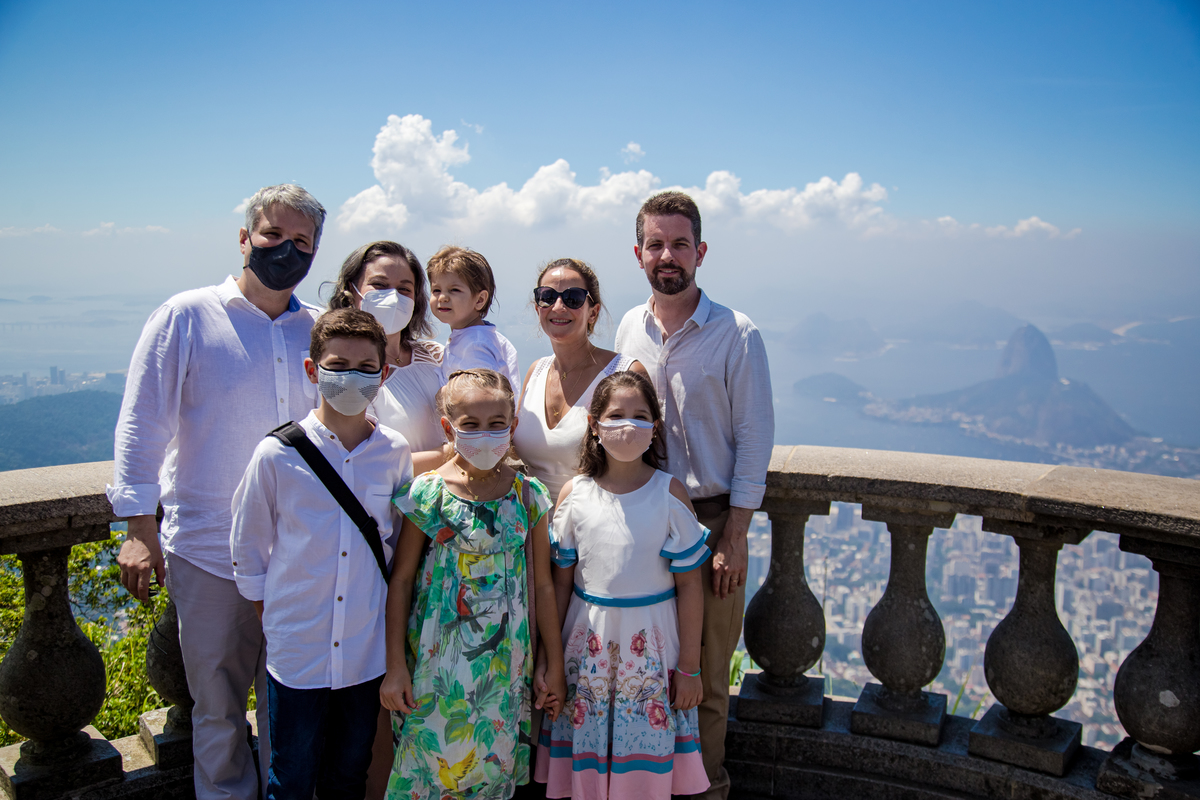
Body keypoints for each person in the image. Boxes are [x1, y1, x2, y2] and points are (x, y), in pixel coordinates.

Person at [108, 184, 327, 800]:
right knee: (218, 708)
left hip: (300, 554)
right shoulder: (188, 315)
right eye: (273, 236)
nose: (286, 251)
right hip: (209, 549)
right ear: (244, 238)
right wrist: (137, 530)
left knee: (294, 707)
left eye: (302, 243)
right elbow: (141, 422)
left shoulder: (317, 330)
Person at [614, 191, 774, 800]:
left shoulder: (737, 334)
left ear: (701, 252)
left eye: (680, 243)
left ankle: (707, 790)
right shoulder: (631, 325)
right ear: (639, 254)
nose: (668, 255)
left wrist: (734, 536)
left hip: (708, 522)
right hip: (643, 513)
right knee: (644, 668)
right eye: (656, 244)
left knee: (704, 674)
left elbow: (755, 440)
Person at [230, 308, 411, 800]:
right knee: (290, 777)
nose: (351, 377)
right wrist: (274, 613)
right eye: (337, 365)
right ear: (313, 371)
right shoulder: (277, 454)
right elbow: (248, 544)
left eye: (365, 368)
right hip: (298, 652)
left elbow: (396, 544)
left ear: (384, 374)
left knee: (349, 774)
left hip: (363, 650)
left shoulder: (393, 452)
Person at [380, 369, 567, 800]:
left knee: (490, 774)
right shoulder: (428, 494)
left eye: (496, 424)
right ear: (449, 428)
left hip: (504, 669)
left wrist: (551, 664)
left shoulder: (528, 495)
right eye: (471, 425)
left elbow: (543, 585)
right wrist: (395, 666)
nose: (485, 434)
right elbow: (402, 580)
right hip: (434, 668)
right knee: (428, 770)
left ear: (513, 425)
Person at [536, 371, 710, 799]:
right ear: (593, 424)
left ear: (655, 426)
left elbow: (690, 588)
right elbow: (559, 586)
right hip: (586, 648)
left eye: (640, 415)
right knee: (588, 757)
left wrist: (689, 667)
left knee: (643, 767)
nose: (627, 425)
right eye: (616, 415)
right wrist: (548, 660)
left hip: (651, 651)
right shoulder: (575, 495)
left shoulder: (669, 495)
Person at [512, 258, 647, 502]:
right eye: (547, 296)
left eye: (573, 298)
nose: (559, 306)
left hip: (595, 527)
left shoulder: (624, 373)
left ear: (593, 312)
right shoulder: (536, 371)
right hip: (532, 531)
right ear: (537, 307)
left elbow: (646, 465)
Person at [325, 241, 446, 455]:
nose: (393, 296)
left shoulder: (436, 355)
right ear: (351, 291)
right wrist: (455, 454)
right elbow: (370, 462)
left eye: (404, 289)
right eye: (379, 285)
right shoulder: (345, 373)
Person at [427, 245, 521, 392]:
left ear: (479, 300)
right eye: (436, 290)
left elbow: (485, 395)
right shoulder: (480, 337)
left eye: (454, 290)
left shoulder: (475, 345)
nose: (443, 297)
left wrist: (443, 394)